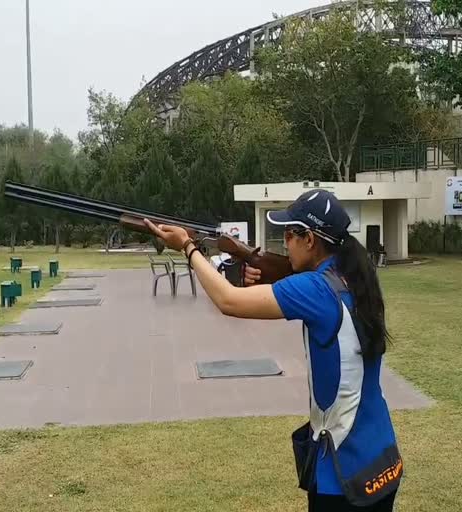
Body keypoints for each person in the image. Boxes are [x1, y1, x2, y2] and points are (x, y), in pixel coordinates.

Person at [144, 189, 402, 511]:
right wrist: (262, 274)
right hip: (380, 458)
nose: (284, 242)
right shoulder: (357, 274)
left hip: (342, 473)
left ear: (310, 239)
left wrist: (187, 246)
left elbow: (228, 300)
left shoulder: (316, 289)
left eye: (289, 234)